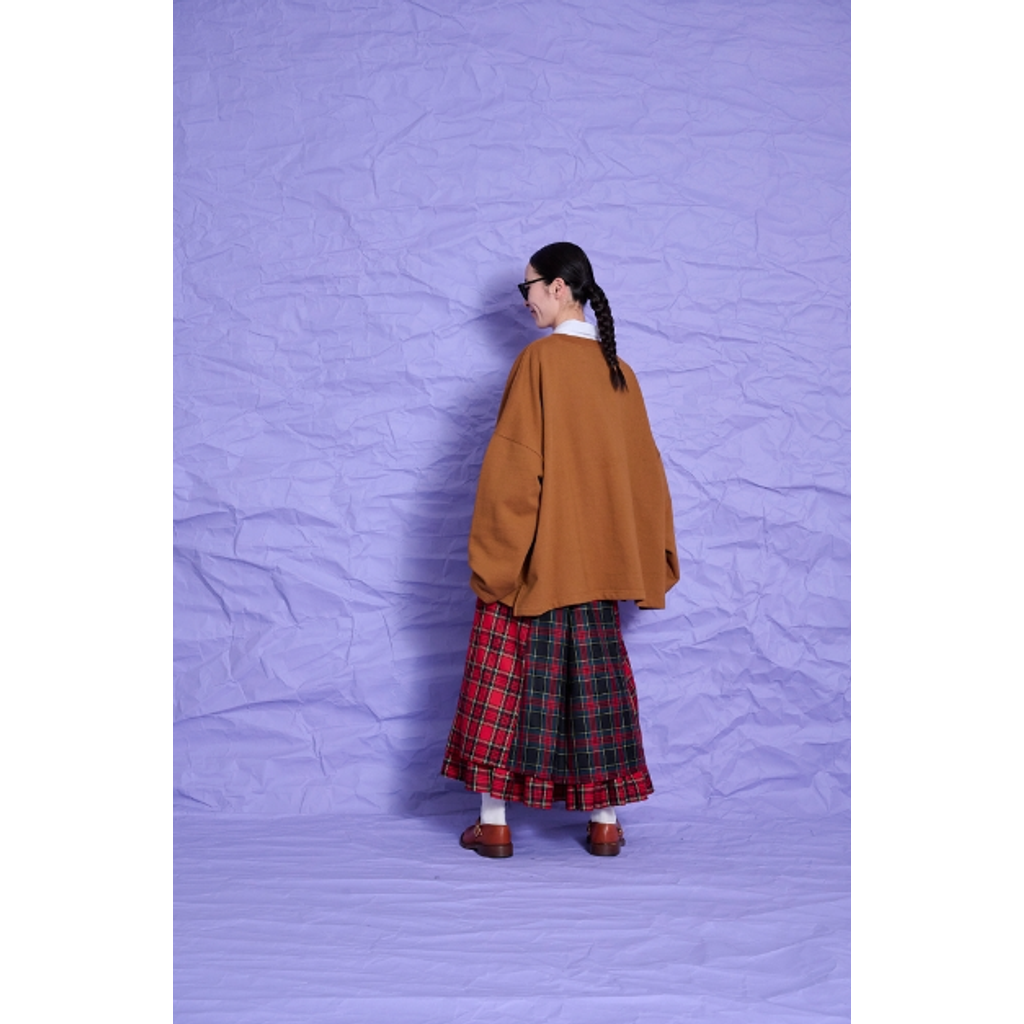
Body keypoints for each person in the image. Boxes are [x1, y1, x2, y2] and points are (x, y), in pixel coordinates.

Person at [441, 242, 679, 858]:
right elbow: (647, 477)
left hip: (538, 569)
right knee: (595, 694)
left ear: (558, 288)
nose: (524, 301)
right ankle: (605, 824)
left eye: (528, 288)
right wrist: (646, 561)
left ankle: (494, 823)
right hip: (597, 573)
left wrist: (496, 565)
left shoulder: (539, 362)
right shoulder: (620, 372)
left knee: (503, 689)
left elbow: (513, 476)